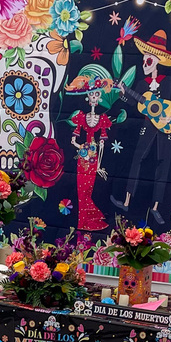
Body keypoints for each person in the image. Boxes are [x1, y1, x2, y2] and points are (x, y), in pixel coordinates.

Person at [111, 29, 171, 226]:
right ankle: (127, 201)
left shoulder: (168, 81)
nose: (145, 64)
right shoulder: (142, 85)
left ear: (158, 62)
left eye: (149, 61)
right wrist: (121, 92)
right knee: (137, 159)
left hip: (167, 126)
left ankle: (156, 207)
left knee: (163, 164)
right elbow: (132, 101)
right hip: (148, 126)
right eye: (144, 60)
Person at [66, 71, 113, 231]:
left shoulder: (102, 120)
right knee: (81, 190)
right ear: (88, 96)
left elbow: (102, 145)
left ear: (99, 97)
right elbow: (73, 140)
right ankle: (82, 223)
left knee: (88, 190)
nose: (94, 97)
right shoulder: (81, 117)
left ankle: (90, 221)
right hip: (83, 158)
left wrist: (99, 164)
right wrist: (82, 148)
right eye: (92, 94)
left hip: (93, 160)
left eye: (96, 94)